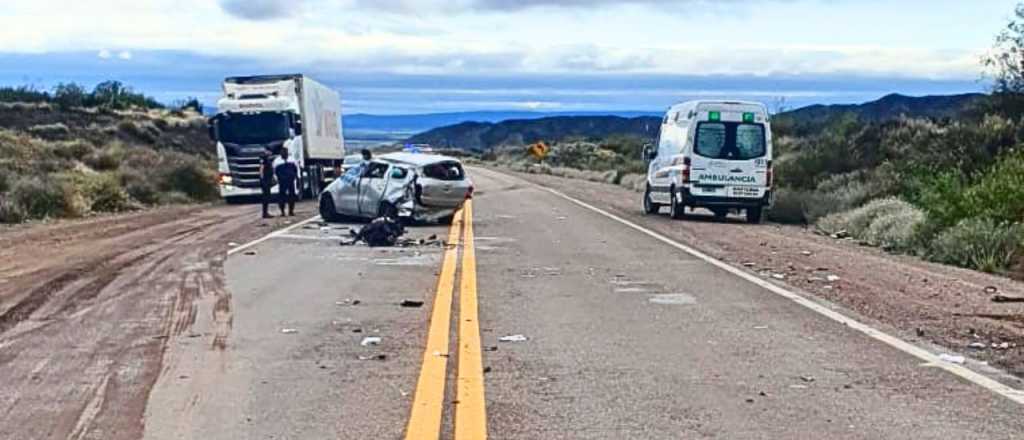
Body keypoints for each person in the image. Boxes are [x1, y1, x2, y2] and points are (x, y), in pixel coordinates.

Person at [273, 147, 300, 217]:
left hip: (291, 180)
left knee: (292, 196)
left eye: (285, 152)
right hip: (282, 181)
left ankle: (291, 211)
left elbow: (297, 169)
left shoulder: (292, 160)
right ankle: (282, 211)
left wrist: (297, 178)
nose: (284, 153)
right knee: (282, 196)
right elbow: (274, 171)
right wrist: (276, 179)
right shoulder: (277, 161)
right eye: (282, 152)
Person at [258, 149, 276, 218]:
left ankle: (266, 212)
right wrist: (262, 178)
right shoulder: (264, 158)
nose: (271, 153)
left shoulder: (267, 159)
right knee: (265, 197)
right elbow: (261, 169)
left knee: (267, 196)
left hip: (267, 180)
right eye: (269, 151)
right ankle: (265, 213)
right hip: (265, 180)